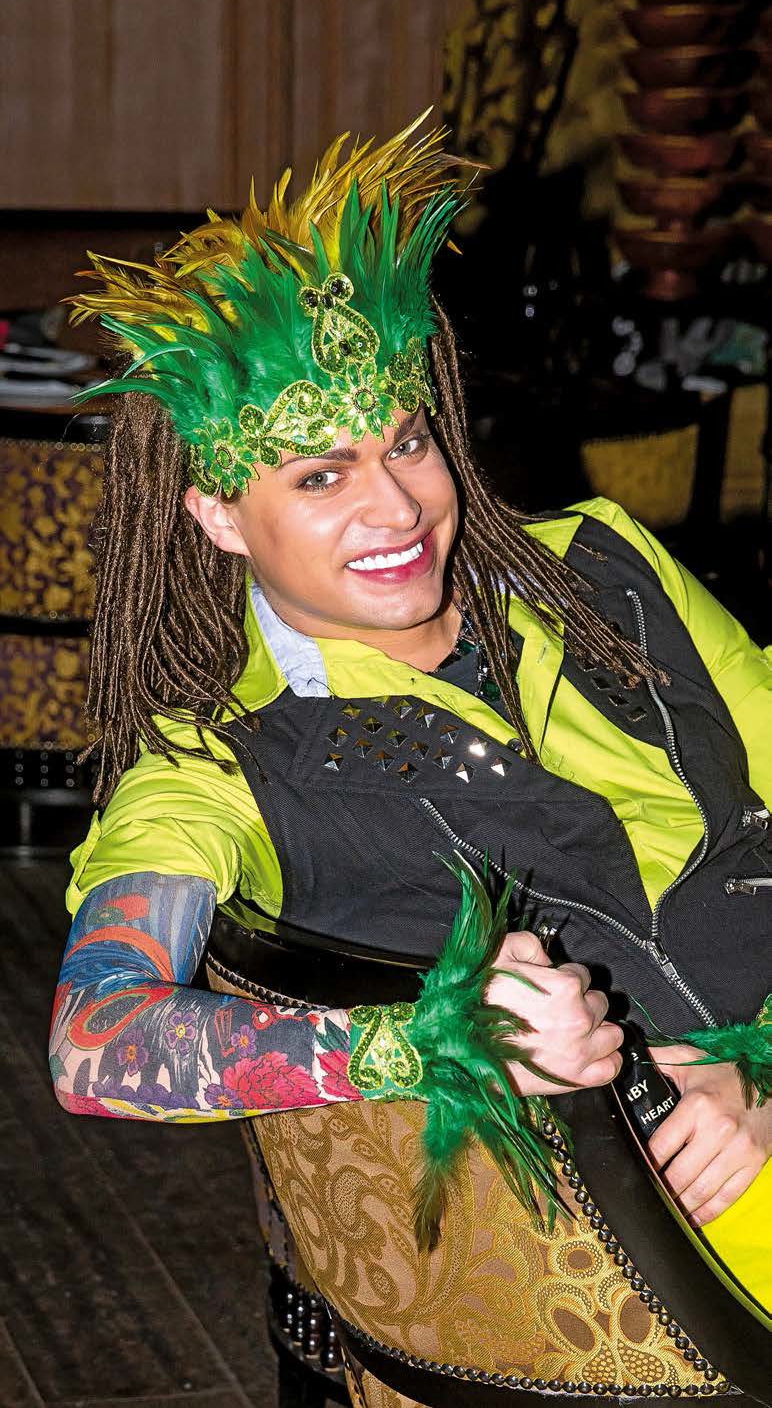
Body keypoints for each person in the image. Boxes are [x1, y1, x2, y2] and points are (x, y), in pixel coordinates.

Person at [50, 117, 770, 1396]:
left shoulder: (601, 563)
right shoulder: (215, 764)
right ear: (217, 512)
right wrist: (432, 1038)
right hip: (634, 1250)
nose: (396, 505)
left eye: (407, 441)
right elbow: (94, 1046)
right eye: (318, 477)